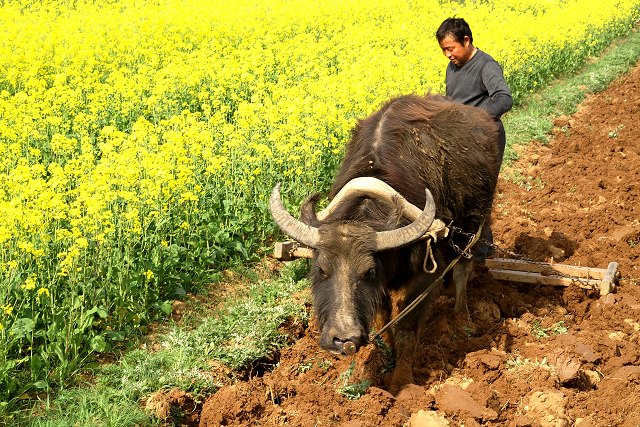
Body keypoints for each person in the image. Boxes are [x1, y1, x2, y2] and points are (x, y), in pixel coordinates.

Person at [435, 17, 513, 261]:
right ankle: (459, 249)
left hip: (484, 140)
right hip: (458, 140)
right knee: (455, 196)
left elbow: (503, 98)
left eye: (451, 48)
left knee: (479, 197)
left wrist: (473, 118)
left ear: (466, 40)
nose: (448, 55)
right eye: (444, 50)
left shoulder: (486, 66)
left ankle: (481, 253)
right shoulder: (452, 67)